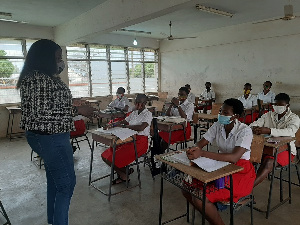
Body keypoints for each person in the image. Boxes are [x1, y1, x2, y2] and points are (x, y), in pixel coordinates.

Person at [16, 39, 76, 225]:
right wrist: (77, 111)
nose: (60, 62)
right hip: (51, 137)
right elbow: (42, 113)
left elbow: (48, 105)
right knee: (66, 184)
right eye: (57, 57)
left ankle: (53, 219)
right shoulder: (37, 79)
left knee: (56, 180)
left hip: (47, 136)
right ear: (45, 58)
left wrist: (71, 105)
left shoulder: (39, 78)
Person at [183, 98, 255, 225]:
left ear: (235, 116)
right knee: (186, 187)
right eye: (221, 111)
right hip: (221, 165)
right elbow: (201, 143)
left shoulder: (245, 130)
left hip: (240, 172)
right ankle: (209, 212)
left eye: (225, 113)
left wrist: (203, 153)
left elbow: (234, 157)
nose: (221, 114)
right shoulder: (218, 125)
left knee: (200, 196)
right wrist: (194, 149)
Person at [249, 93, 300, 187]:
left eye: (280, 105)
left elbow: (289, 131)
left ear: (287, 106)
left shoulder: (294, 118)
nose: (277, 107)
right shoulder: (269, 115)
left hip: (286, 150)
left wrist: (269, 130)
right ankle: (241, 186)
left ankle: (246, 190)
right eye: (275, 105)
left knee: (268, 162)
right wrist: (254, 128)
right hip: (268, 147)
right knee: (248, 158)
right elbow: (255, 123)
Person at [101, 94, 152, 184]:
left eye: (139, 103)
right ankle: (124, 172)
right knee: (106, 155)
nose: (136, 104)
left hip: (140, 142)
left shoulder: (147, 114)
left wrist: (125, 126)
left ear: (144, 103)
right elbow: (124, 121)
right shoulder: (134, 112)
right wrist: (113, 124)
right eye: (135, 102)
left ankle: (123, 174)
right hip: (128, 139)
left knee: (111, 158)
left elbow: (141, 127)